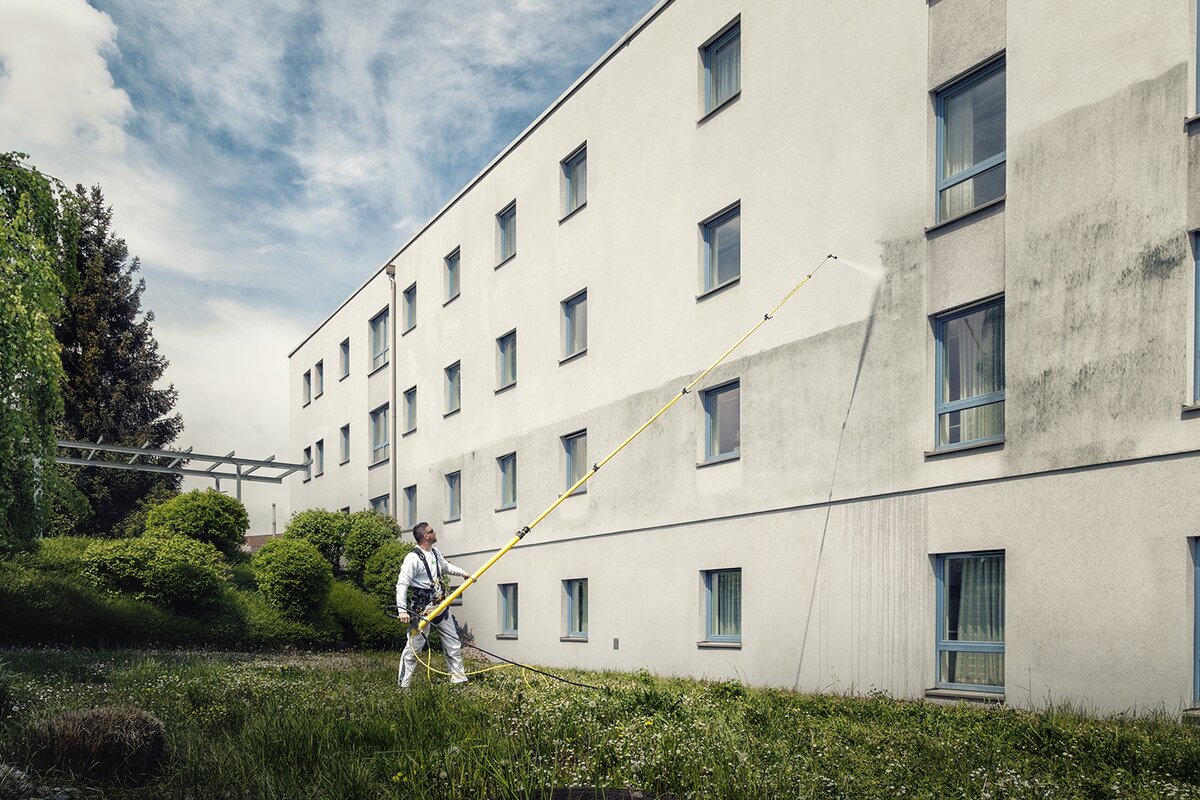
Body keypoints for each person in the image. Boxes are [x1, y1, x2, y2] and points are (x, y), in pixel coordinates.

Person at [395, 521, 472, 688]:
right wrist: (402, 611)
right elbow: (402, 584)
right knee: (413, 649)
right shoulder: (412, 558)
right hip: (422, 609)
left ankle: (459, 681)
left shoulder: (435, 552)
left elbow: (446, 567)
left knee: (453, 644)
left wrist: (462, 573)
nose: (435, 532)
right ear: (426, 536)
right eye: (432, 531)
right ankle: (403, 686)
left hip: (441, 606)